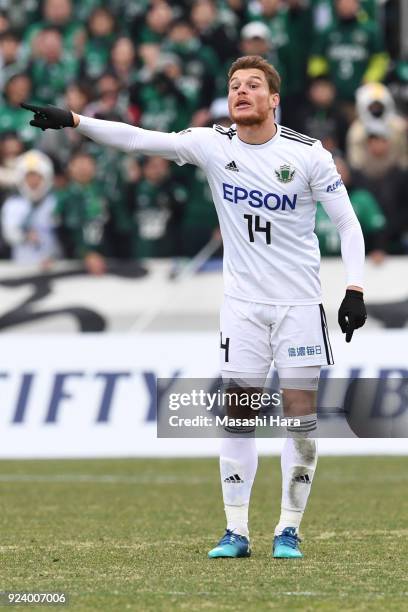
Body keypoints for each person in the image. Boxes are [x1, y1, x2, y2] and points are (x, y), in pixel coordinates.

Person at [21, 54, 367, 559]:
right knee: (238, 414)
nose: (241, 91)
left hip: (298, 306)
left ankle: (288, 529)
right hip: (243, 307)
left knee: (300, 418)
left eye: (253, 85)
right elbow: (140, 139)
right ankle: (236, 531)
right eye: (234, 85)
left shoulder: (309, 155)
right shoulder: (211, 144)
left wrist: (354, 289)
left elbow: (349, 225)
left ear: (275, 100)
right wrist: (75, 121)